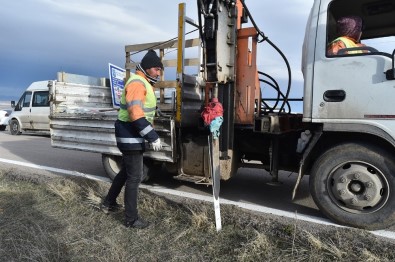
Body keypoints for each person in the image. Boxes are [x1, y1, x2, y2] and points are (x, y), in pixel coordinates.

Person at [101, 50, 163, 229]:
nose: (158, 73)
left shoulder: (143, 82)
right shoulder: (137, 83)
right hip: (130, 136)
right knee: (135, 177)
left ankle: (108, 203)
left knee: (126, 173)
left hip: (131, 135)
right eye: (156, 69)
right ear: (147, 68)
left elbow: (142, 108)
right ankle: (131, 219)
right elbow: (135, 113)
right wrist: (152, 136)